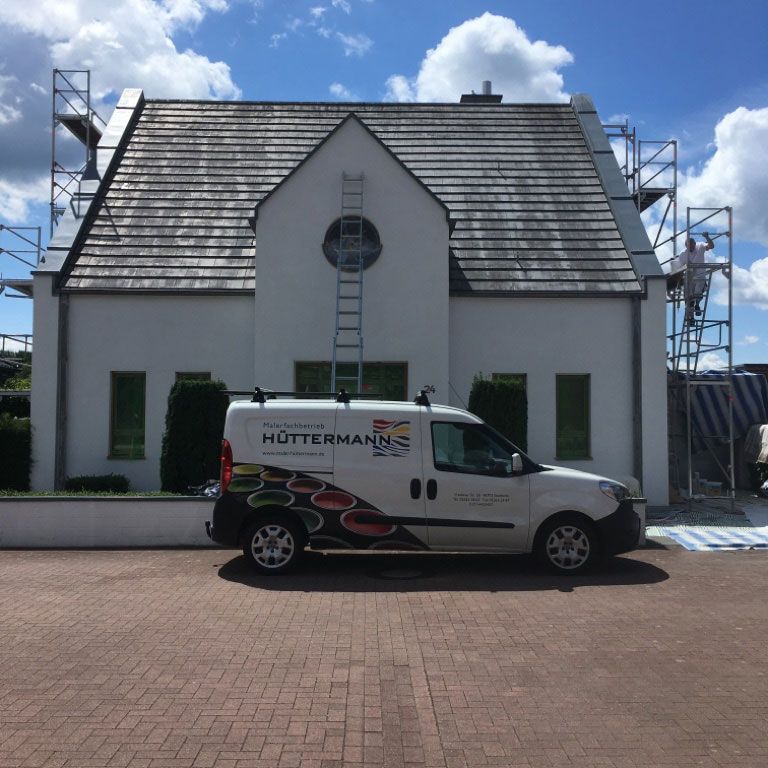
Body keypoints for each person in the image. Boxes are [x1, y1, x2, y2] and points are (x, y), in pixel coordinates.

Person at [673, 232, 715, 315]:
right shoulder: (683, 254)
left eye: (692, 247)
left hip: (700, 276)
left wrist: (707, 237)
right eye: (688, 247)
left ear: (695, 244)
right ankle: (690, 316)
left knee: (698, 293)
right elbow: (679, 269)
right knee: (689, 298)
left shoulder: (700, 246)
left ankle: (697, 305)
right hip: (690, 277)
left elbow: (711, 246)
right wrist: (678, 281)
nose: (690, 249)